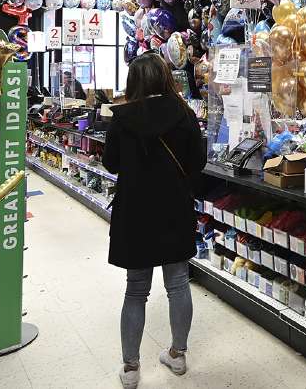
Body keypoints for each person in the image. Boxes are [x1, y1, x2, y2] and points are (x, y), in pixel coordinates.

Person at [103, 52, 206, 388]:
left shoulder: (121, 116)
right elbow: (197, 162)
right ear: (164, 77)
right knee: (178, 284)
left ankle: (131, 368)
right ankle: (177, 355)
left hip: (134, 210)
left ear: (134, 81)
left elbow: (111, 164)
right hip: (173, 207)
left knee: (136, 289)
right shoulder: (184, 113)